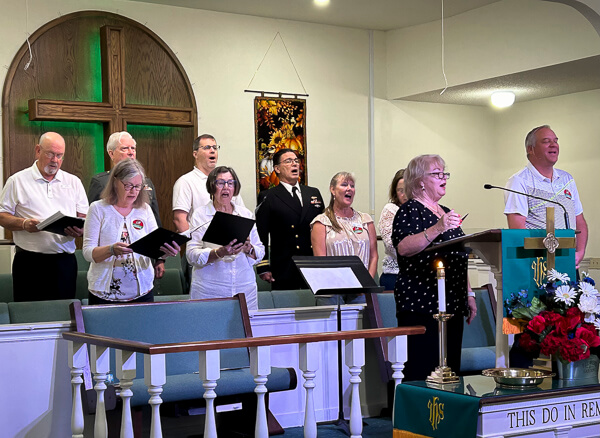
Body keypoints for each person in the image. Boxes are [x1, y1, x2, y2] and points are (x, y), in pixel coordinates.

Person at [392, 154, 476, 381]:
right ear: (420, 181)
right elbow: (404, 247)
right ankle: (424, 416)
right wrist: (438, 227)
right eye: (437, 174)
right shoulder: (409, 210)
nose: (444, 178)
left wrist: (468, 293)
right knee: (425, 370)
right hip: (423, 305)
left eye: (444, 173)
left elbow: (457, 253)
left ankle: (447, 414)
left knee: (450, 371)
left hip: (453, 303)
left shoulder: (446, 210)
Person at [0, 132, 89, 301]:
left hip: (64, 262)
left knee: (64, 315)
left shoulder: (73, 182)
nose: (55, 160)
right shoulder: (17, 180)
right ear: (38, 151)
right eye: (50, 154)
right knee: (28, 316)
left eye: (59, 155)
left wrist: (80, 230)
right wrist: (24, 224)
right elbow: (2, 216)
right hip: (29, 262)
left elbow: (84, 217)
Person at [83, 159, 179, 304]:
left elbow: (154, 246)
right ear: (115, 182)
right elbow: (88, 252)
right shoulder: (98, 209)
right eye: (128, 186)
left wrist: (166, 252)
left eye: (138, 186)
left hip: (142, 291)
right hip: (104, 294)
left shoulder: (144, 209)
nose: (134, 191)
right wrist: (110, 250)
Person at [504, 125, 588, 268]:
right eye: (546, 141)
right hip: (538, 265)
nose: (553, 144)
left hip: (568, 260)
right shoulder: (519, 181)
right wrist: (546, 255)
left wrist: (579, 252)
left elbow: (579, 220)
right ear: (530, 149)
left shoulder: (567, 179)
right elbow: (517, 228)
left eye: (555, 140)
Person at [186, 166, 264, 310]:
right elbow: (191, 256)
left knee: (246, 330)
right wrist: (219, 253)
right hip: (210, 290)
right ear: (212, 187)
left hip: (244, 288)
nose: (226, 187)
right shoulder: (200, 215)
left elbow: (260, 252)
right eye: (220, 183)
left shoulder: (245, 214)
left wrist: (248, 248)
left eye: (230, 183)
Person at [256, 148, 324, 290]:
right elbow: (261, 234)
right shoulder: (268, 196)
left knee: (315, 307)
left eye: (296, 161)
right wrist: (263, 266)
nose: (294, 164)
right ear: (277, 168)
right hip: (284, 265)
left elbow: (324, 228)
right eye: (288, 161)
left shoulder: (313, 193)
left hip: (313, 263)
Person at [310, 172, 378, 304]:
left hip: (361, 290)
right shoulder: (321, 222)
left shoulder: (365, 220)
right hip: (331, 291)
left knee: (362, 324)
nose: (349, 189)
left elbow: (374, 256)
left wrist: (366, 284)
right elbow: (320, 261)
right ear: (332, 190)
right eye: (344, 185)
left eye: (352, 186)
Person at [172, 134, 245, 233]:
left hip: (230, 243)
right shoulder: (186, 181)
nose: (212, 150)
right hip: (201, 244)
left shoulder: (228, 182)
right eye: (207, 147)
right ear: (195, 154)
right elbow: (179, 219)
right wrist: (195, 244)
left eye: (215, 147)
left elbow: (242, 216)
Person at [88, 131, 161, 226]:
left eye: (133, 148)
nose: (131, 152)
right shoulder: (101, 182)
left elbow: (155, 219)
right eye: (125, 148)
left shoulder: (146, 182)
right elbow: (91, 219)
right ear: (111, 154)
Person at [378, 169, 407, 291]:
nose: (405, 194)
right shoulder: (391, 210)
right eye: (401, 190)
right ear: (395, 192)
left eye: (408, 190)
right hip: (395, 276)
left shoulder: (423, 210)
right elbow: (392, 246)